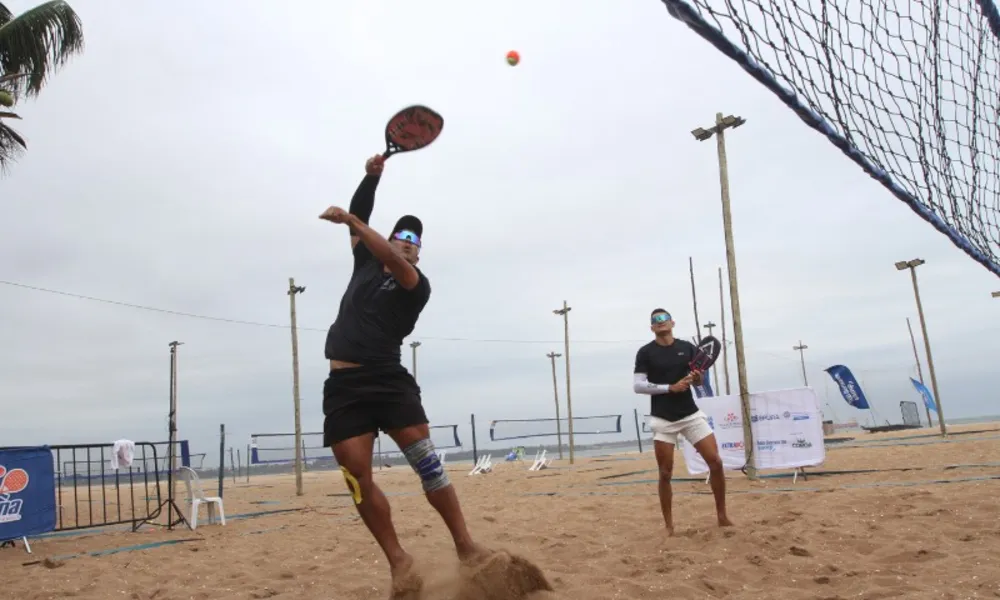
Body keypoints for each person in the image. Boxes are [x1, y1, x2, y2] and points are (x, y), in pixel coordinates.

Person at [318, 154, 487, 593]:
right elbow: (363, 224)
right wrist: (371, 178)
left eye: (415, 240)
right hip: (344, 385)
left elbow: (372, 237)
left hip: (388, 380)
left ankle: (466, 545)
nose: (409, 242)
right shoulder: (365, 263)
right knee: (356, 477)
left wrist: (355, 221)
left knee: (428, 465)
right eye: (402, 235)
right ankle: (399, 559)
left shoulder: (416, 282)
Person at [632, 308, 733, 535]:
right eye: (655, 320)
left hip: (690, 415)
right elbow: (638, 386)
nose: (659, 322)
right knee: (665, 473)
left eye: (663, 319)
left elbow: (699, 381)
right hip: (662, 418)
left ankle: (722, 516)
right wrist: (670, 387)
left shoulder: (687, 348)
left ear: (672, 323)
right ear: (651, 327)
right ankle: (669, 526)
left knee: (715, 462)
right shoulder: (645, 352)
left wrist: (697, 378)